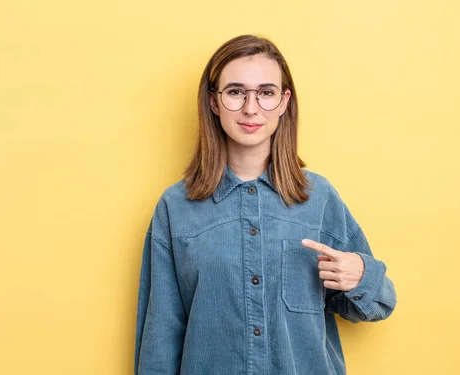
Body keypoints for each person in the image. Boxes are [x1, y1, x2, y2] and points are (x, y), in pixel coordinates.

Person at [134, 34, 397, 375]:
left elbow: (379, 304)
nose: (251, 108)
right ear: (214, 102)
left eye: (266, 92)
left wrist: (361, 276)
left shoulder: (319, 198)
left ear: (284, 101)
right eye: (235, 92)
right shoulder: (175, 207)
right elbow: (160, 337)